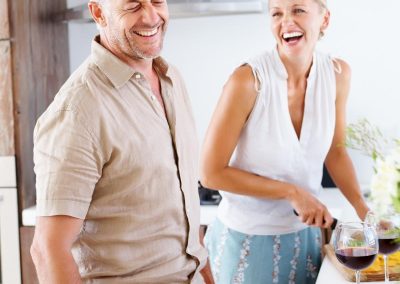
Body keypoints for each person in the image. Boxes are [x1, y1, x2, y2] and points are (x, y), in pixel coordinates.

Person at [30, 0, 209, 283]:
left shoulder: (171, 78)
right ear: (99, 13)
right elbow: (48, 250)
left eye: (157, 2)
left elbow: (185, 209)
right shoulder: (78, 110)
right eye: (133, 5)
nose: (151, 16)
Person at [200, 0, 370, 283]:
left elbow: (336, 153)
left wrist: (364, 210)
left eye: (298, 10)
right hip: (246, 242)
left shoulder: (338, 75)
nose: (286, 22)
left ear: (324, 20)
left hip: (305, 239)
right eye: (276, 13)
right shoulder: (247, 80)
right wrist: (292, 192)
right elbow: (210, 173)